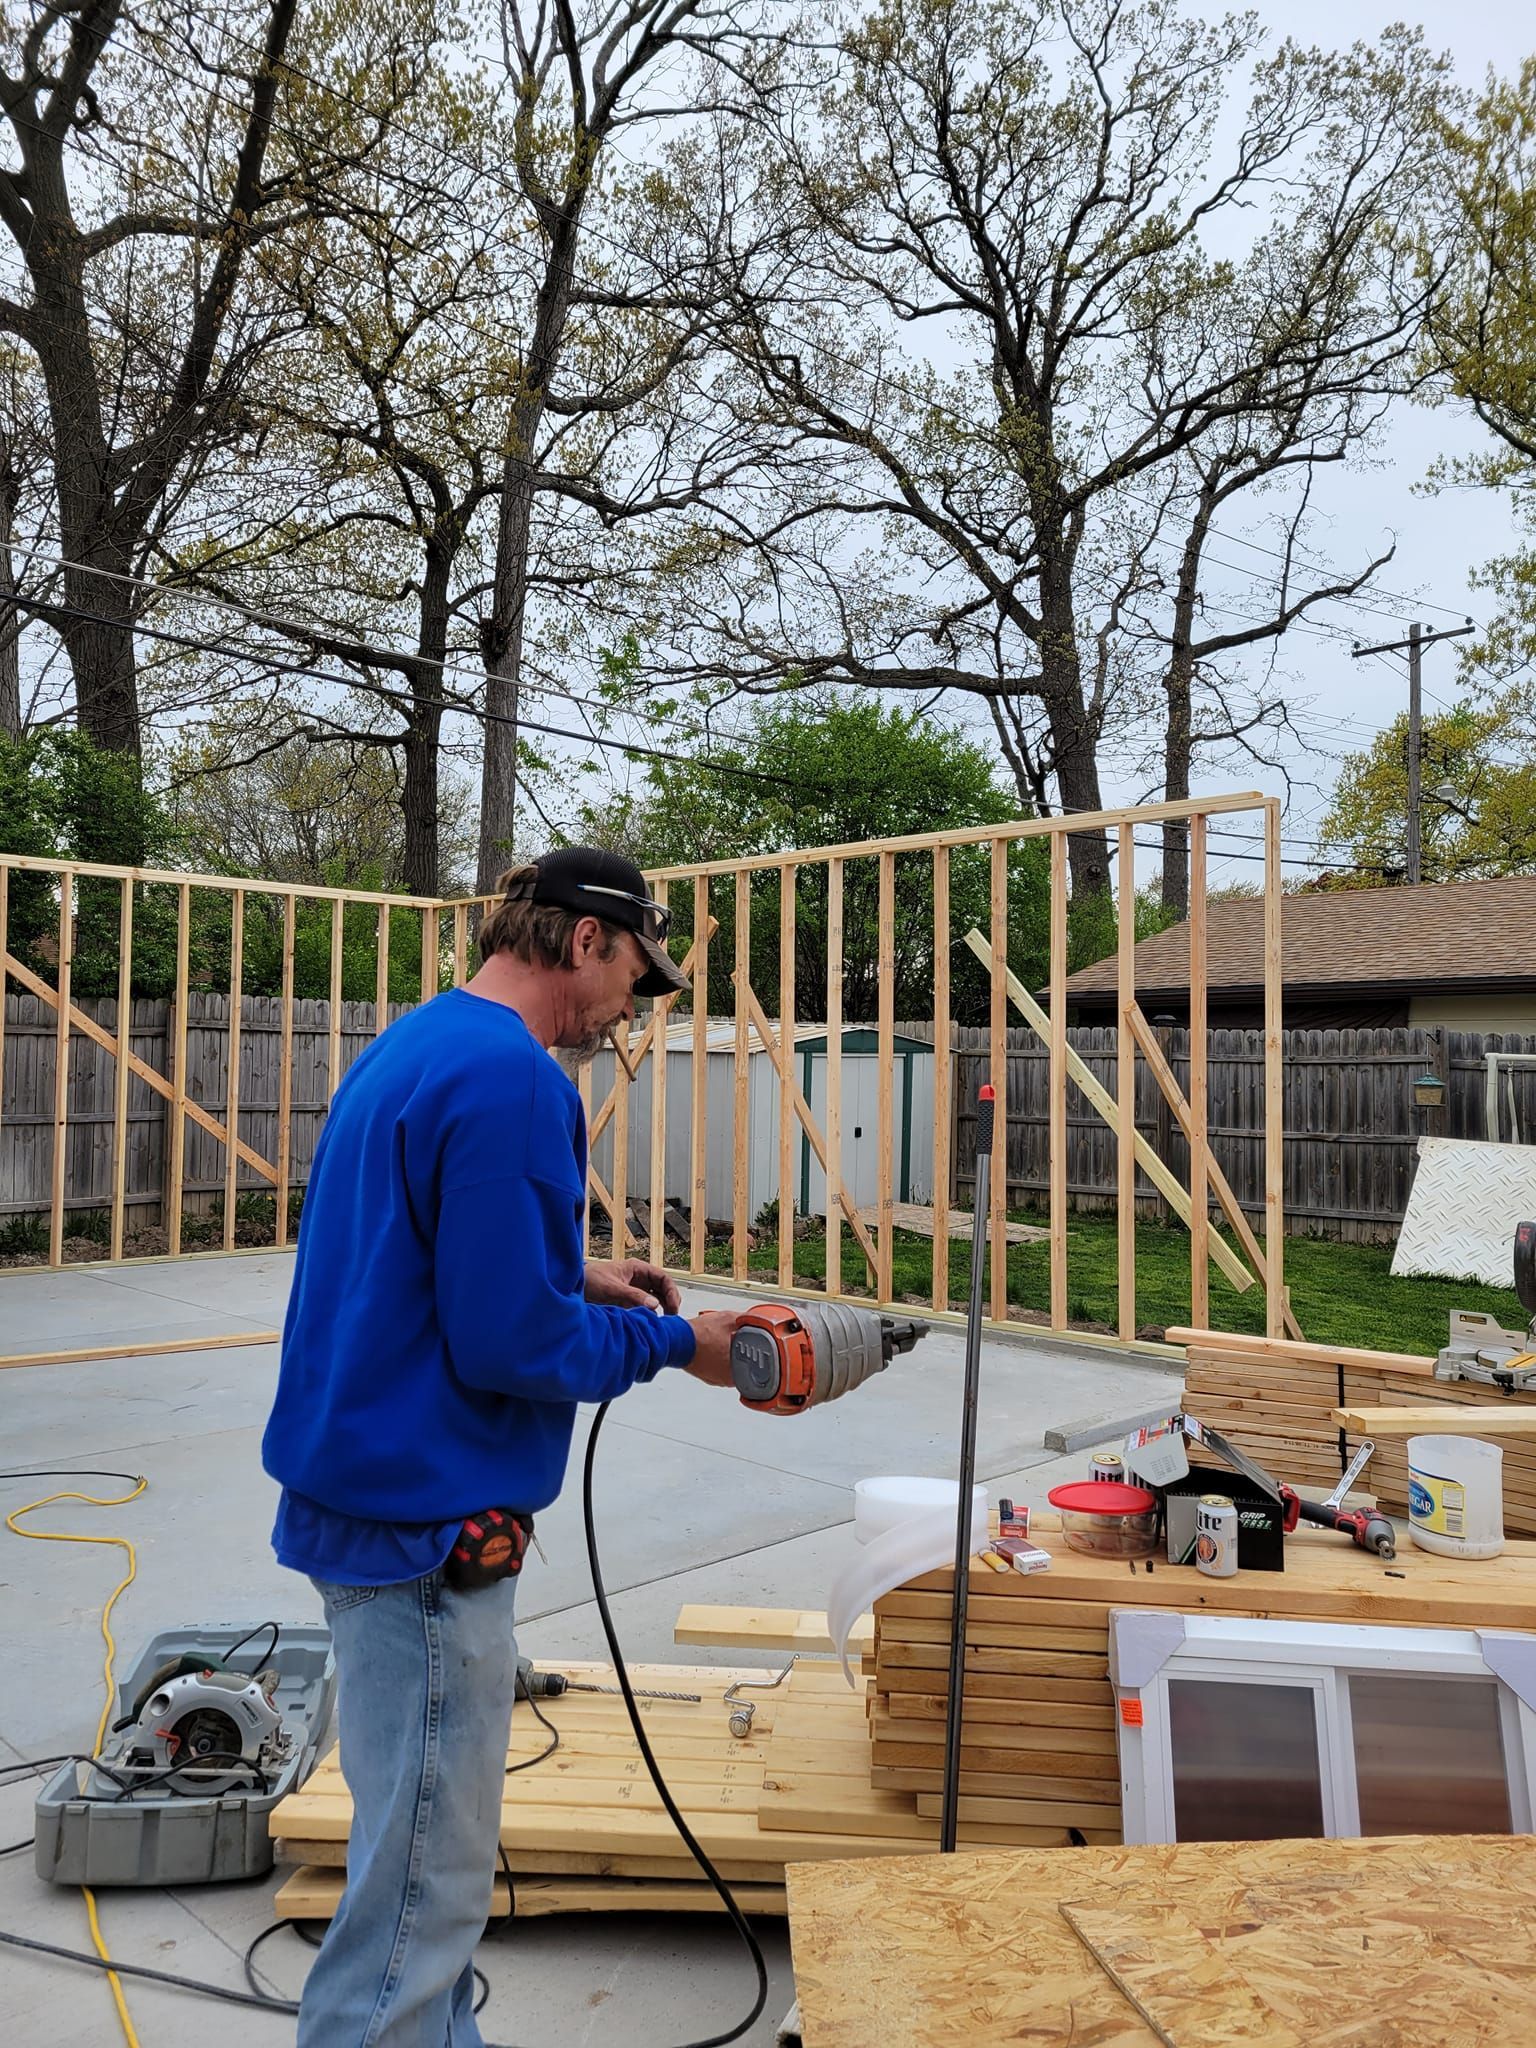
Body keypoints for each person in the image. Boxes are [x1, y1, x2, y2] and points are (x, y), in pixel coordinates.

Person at [261, 847, 745, 2047]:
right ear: (586, 940)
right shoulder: (524, 1085)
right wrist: (689, 1343)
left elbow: (405, 1242)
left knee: (408, 1851)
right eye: (637, 967)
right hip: (429, 1533)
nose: (635, 1001)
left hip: (363, 1502)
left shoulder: (415, 1044)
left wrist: (572, 1268)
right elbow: (513, 1344)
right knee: (418, 1902)